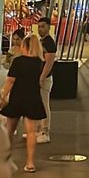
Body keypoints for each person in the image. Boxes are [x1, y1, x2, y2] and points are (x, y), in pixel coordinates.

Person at [0, 34, 48, 172]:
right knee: (31, 132)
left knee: (9, 130)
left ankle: (6, 159)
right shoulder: (39, 62)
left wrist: (3, 96)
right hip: (32, 98)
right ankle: (30, 163)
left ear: (24, 46)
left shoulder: (18, 61)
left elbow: (10, 81)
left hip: (17, 98)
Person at [36, 16, 57, 144]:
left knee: (44, 105)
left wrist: (42, 78)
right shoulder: (41, 41)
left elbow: (49, 63)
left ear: (49, 27)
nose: (40, 29)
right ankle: (39, 130)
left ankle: (45, 131)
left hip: (45, 79)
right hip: (39, 77)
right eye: (39, 26)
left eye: (43, 26)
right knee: (38, 105)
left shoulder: (49, 43)